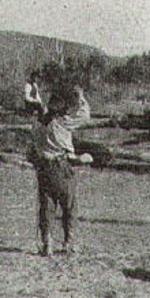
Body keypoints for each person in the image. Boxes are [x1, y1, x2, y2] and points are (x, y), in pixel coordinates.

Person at [30, 85, 92, 255]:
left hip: (44, 166)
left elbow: (33, 147)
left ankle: (47, 243)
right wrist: (81, 97)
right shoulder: (62, 123)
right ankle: (68, 243)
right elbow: (85, 115)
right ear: (60, 110)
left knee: (47, 205)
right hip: (62, 165)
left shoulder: (38, 124)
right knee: (69, 205)